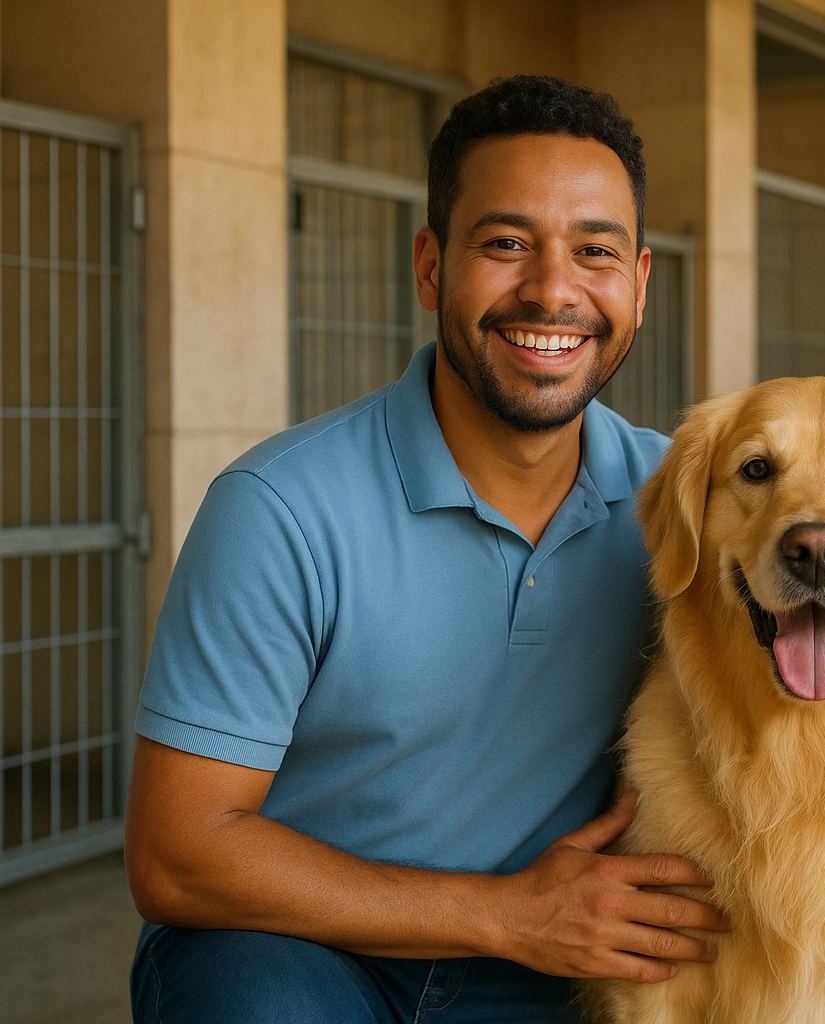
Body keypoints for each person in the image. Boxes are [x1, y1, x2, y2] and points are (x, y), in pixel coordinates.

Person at [125, 76, 725, 1024]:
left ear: (640, 285)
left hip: (566, 961)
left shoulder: (685, 506)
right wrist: (507, 914)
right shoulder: (279, 509)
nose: (553, 290)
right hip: (303, 948)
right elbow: (176, 854)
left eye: (595, 251)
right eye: (506, 243)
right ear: (431, 266)